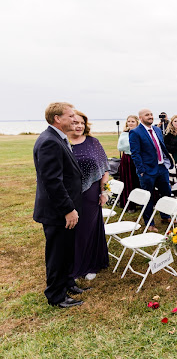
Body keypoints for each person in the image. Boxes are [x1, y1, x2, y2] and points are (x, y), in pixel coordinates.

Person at [33, 102, 88, 308]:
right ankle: (56, 296)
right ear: (58, 119)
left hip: (65, 209)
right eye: (71, 115)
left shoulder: (58, 138)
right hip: (58, 212)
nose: (75, 119)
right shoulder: (50, 142)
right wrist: (68, 210)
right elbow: (52, 181)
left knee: (66, 250)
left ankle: (67, 283)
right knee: (57, 253)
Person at [66, 110, 110, 281]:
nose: (79, 126)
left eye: (82, 123)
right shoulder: (62, 142)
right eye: (75, 122)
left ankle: (91, 265)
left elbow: (105, 169)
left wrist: (104, 192)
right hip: (68, 194)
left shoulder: (93, 142)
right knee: (71, 231)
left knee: (87, 230)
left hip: (91, 194)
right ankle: (73, 266)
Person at [129, 108, 174, 232]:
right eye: (147, 115)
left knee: (166, 193)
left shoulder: (157, 129)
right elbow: (135, 153)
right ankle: (149, 223)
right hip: (147, 171)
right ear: (141, 118)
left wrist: (166, 163)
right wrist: (142, 170)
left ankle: (165, 216)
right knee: (148, 197)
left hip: (161, 168)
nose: (150, 116)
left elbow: (161, 146)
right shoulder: (135, 132)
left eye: (151, 114)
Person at [117, 115, 141, 211]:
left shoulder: (140, 133)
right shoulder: (124, 134)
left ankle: (140, 202)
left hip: (138, 159)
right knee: (128, 181)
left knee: (138, 180)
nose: (130, 123)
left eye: (132, 121)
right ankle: (129, 204)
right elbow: (120, 147)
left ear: (137, 123)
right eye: (129, 121)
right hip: (127, 159)